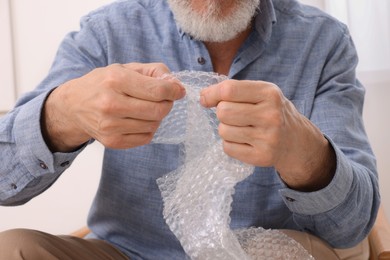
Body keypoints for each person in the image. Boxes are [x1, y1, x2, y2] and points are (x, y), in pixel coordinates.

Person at [0, 0, 379, 259]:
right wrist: (62, 113)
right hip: (128, 251)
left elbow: (353, 226)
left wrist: (305, 152)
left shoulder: (324, 42)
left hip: (262, 251)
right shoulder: (107, 32)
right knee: (13, 248)